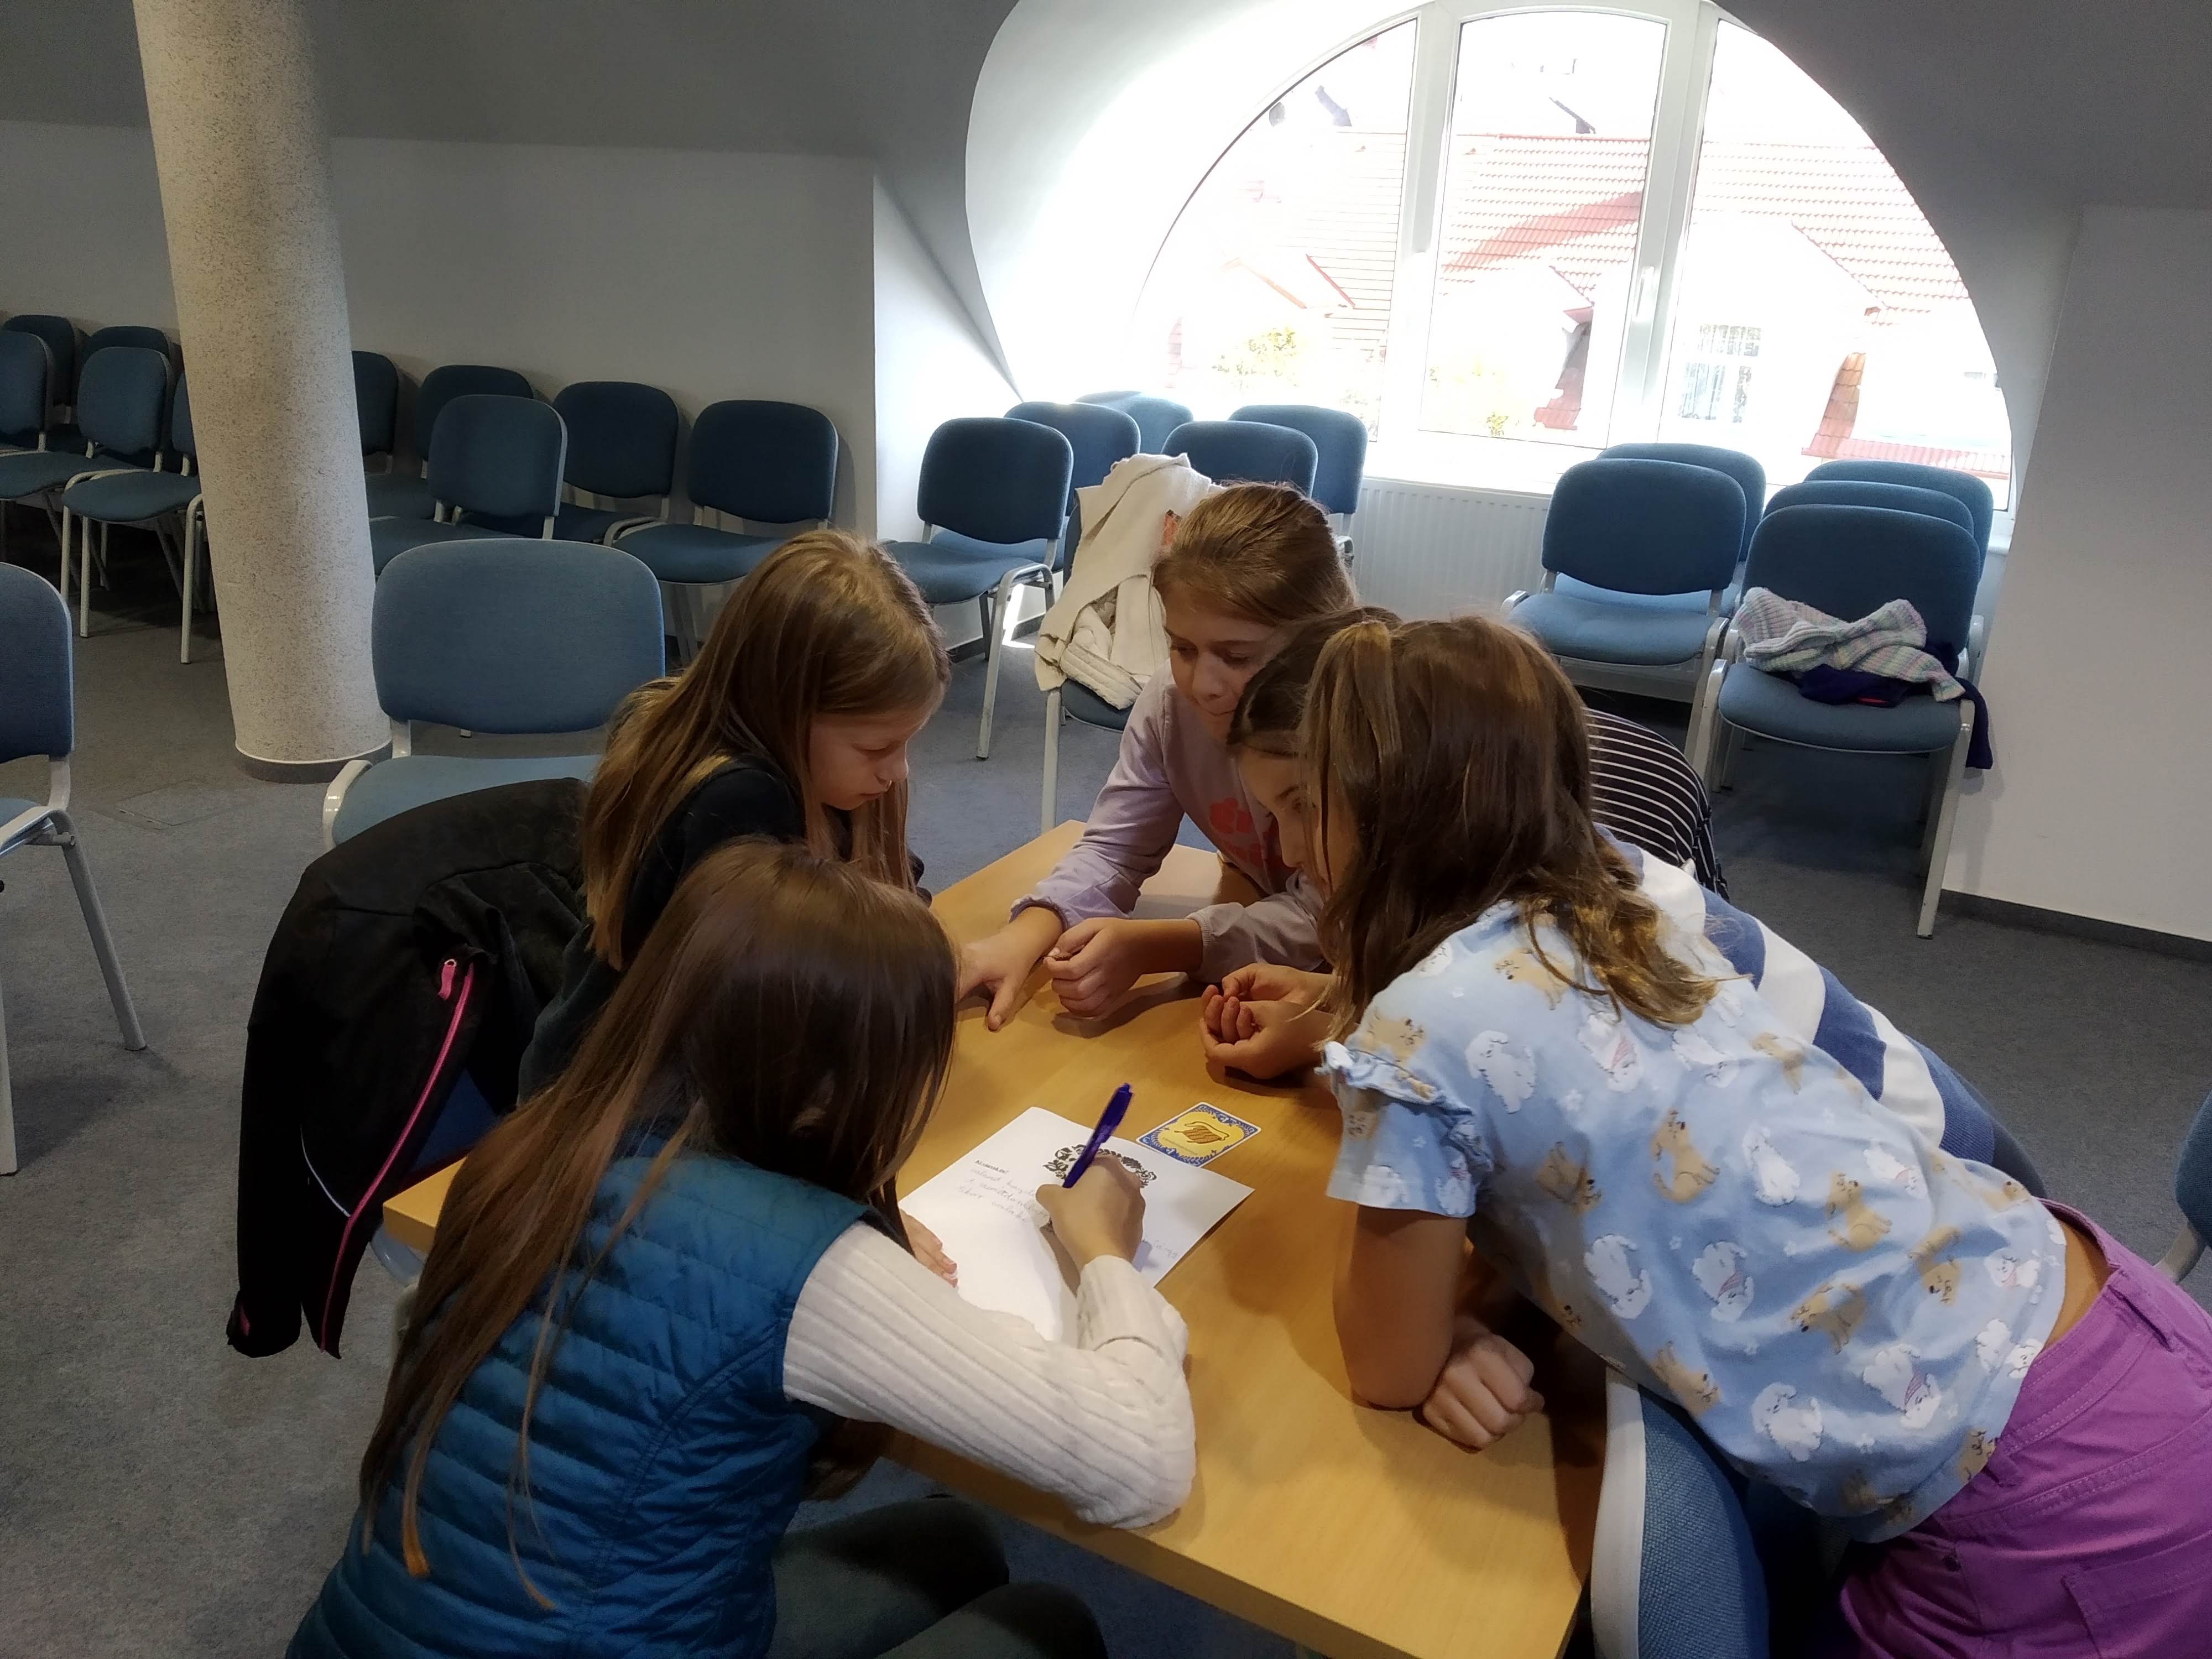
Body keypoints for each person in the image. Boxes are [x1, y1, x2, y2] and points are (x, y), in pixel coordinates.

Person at [1300, 615, 2212, 1657]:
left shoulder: (1418, 1030)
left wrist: (1443, 1331)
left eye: (1307, 809)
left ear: (1376, 817)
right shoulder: (1626, 915)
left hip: (2046, 1506)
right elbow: (1588, 1172)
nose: (1288, 847)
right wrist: (1465, 1307)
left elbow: (1384, 1365)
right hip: (2122, 1327)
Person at [290, 842, 1192, 1659]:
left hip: (373, 1637)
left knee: (950, 1542)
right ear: (835, 1092)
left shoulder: (528, 1151)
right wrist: (1103, 1250)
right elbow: (1141, 1463)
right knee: (1043, 1627)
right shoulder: (807, 1268)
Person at [520, 530, 948, 1099]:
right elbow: (756, 1016)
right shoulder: (737, 800)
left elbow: (889, 885)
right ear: (786, 709)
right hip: (609, 1100)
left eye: (907, 743)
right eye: (877, 748)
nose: (898, 771)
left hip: (678, 1078)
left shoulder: (821, 776)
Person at [957, 483, 1356, 1029]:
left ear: (1317, 645)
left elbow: (1329, 914)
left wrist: (1166, 946)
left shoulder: (1360, 730)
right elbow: (1116, 848)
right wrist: (1022, 937)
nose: (1203, 685)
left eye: (1236, 656)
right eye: (1182, 648)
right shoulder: (1171, 703)